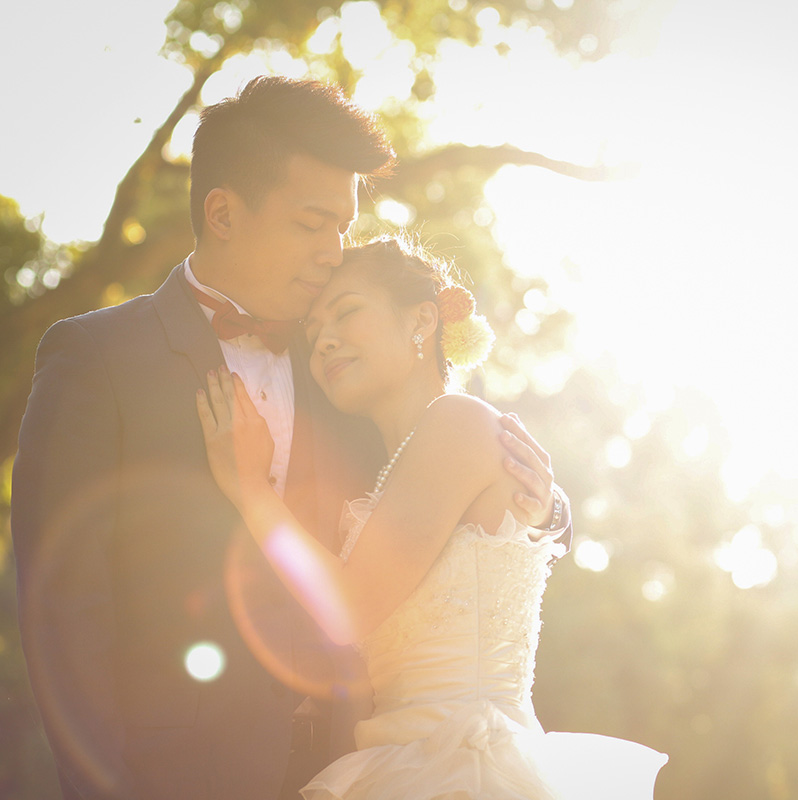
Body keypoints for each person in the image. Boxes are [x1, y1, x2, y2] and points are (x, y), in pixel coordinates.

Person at [10, 77, 565, 800]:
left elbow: (441, 498)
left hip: (353, 769)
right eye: (314, 223)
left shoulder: (344, 368)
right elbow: (64, 617)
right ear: (224, 212)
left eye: (344, 226)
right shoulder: (100, 360)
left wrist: (544, 503)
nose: (335, 251)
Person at [196, 235, 667, 799]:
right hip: (393, 759)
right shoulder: (397, 459)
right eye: (313, 330)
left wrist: (249, 488)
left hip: (465, 765)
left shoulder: (457, 422)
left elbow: (349, 608)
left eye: (346, 313)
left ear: (421, 321)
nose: (324, 340)